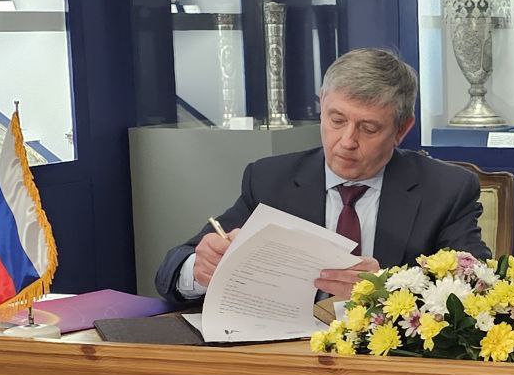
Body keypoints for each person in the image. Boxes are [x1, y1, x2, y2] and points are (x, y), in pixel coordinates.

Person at [154, 48, 490, 304]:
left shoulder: (445, 190)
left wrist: (386, 289)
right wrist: (199, 268)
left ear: (402, 130)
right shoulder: (270, 180)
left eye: (368, 128)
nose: (347, 141)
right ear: (321, 105)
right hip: (287, 357)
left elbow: (479, 288)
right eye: (336, 120)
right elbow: (171, 269)